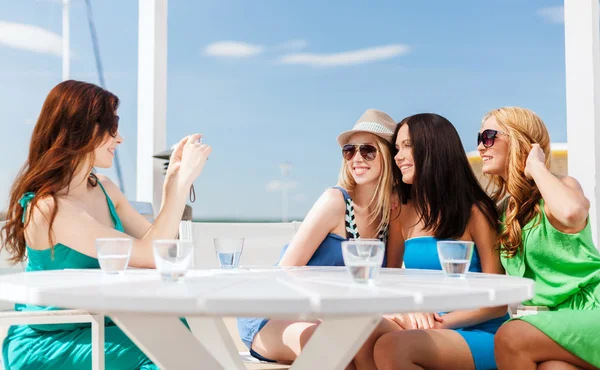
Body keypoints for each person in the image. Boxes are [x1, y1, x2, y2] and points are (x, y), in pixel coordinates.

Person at [1, 80, 211, 370]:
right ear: (81, 129)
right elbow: (151, 255)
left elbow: (165, 249)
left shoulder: (105, 188)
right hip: (52, 340)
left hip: (103, 324)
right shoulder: (50, 208)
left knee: (179, 330)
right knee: (166, 355)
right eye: (112, 126)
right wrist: (180, 185)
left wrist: (173, 182)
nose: (120, 138)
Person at [237, 109, 404, 369]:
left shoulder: (391, 215)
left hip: (340, 319)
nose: (356, 158)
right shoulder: (335, 202)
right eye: (350, 151)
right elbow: (286, 273)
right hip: (277, 314)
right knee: (336, 347)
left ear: (389, 156)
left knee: (379, 345)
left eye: (367, 150)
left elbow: (390, 282)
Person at [374, 113, 508, 370]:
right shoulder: (400, 212)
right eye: (397, 148)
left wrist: (439, 322)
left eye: (407, 146)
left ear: (433, 149)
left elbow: (497, 303)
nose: (397, 156)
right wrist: (409, 310)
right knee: (362, 331)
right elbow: (388, 282)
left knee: (392, 346)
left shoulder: (475, 212)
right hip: (425, 326)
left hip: (480, 332)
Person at [479, 107, 600, 370]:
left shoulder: (562, 187)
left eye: (488, 136)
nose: (480, 146)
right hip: (554, 322)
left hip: (593, 310)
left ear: (519, 140)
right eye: (479, 138)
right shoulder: (502, 213)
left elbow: (572, 213)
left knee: (512, 336)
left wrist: (535, 166)